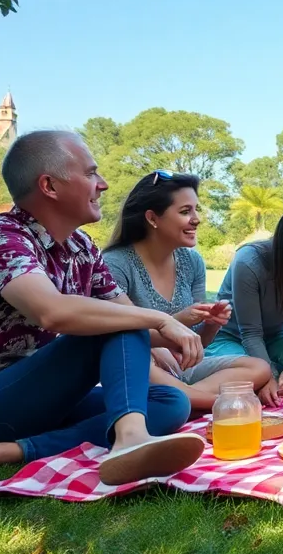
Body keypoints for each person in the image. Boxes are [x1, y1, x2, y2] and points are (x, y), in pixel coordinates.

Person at [0, 131, 204, 484]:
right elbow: (53, 312)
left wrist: (172, 333)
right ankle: (130, 439)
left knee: (170, 403)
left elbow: (133, 323)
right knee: (120, 323)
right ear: (50, 186)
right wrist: (159, 319)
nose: (102, 184)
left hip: (49, 397)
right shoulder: (2, 237)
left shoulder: (82, 247)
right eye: (90, 174)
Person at [104, 171, 273, 410]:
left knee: (259, 368)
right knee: (140, 360)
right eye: (185, 212)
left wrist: (212, 322)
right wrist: (176, 322)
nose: (197, 219)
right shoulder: (116, 263)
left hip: (183, 369)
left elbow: (197, 347)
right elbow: (115, 335)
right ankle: (216, 403)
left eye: (196, 209)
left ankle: (183, 400)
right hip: (142, 364)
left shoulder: (192, 262)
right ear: (153, 218)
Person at [206, 205, 283, 406]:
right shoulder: (248, 262)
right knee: (246, 382)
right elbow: (250, 332)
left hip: (278, 333)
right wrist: (268, 377)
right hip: (231, 336)